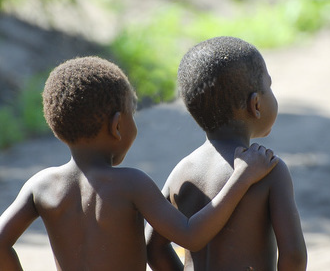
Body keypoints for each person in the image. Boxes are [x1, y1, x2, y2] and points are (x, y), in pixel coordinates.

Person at [0, 56, 278, 271]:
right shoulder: (131, 184)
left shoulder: (40, 186)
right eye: (133, 114)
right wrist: (241, 177)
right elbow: (191, 236)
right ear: (118, 125)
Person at [146, 36, 307, 271]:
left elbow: (153, 246)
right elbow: (293, 256)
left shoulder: (182, 172)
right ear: (256, 105)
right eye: (269, 87)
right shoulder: (269, 170)